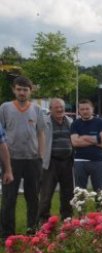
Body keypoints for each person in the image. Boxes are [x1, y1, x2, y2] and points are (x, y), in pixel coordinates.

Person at [0, 76, 46, 236]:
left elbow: (40, 133)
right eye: (19, 89)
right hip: (10, 161)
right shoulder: (5, 108)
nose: (21, 92)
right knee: (8, 199)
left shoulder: (37, 109)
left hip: (32, 160)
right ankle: (7, 235)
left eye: (25, 90)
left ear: (30, 91)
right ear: (13, 89)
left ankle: (32, 232)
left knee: (33, 198)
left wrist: (41, 156)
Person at [38, 98, 74, 222]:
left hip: (67, 162)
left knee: (68, 194)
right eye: (56, 107)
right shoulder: (44, 121)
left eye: (61, 107)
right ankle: (44, 222)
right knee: (46, 194)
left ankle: (67, 220)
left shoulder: (70, 121)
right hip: (50, 162)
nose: (59, 109)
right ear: (50, 109)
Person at [70, 99, 102, 192]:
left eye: (87, 109)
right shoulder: (75, 124)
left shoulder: (100, 122)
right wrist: (96, 140)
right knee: (80, 192)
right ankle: (81, 207)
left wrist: (83, 137)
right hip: (80, 161)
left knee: (100, 191)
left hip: (97, 161)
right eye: (82, 109)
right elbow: (75, 142)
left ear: (92, 109)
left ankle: (99, 207)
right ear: (79, 110)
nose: (85, 111)